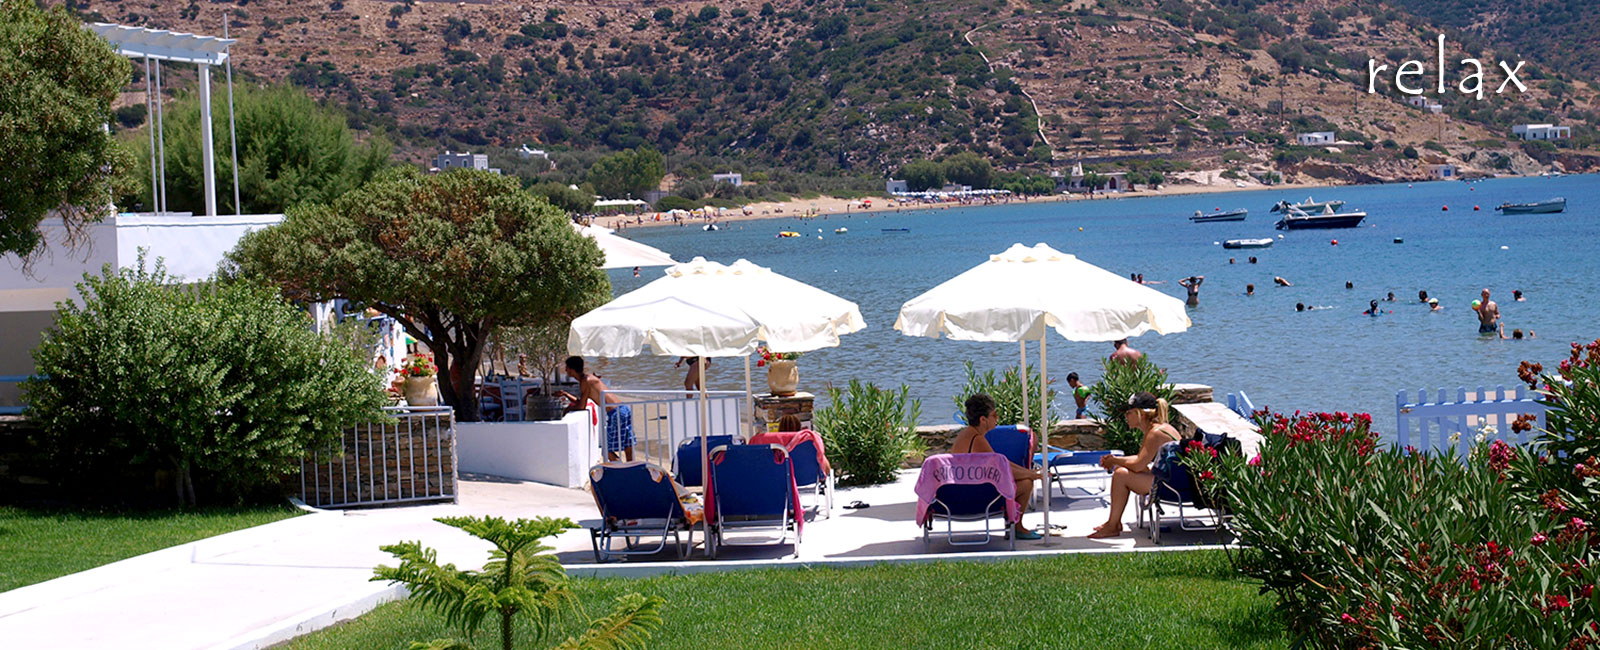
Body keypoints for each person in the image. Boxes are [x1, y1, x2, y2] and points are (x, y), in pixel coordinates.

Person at [1088, 392, 1182, 539]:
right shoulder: (1158, 428)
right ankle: (1113, 523)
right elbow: (1141, 460)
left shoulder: (1155, 433)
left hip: (1172, 487)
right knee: (1122, 470)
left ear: (1141, 414)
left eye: (1129, 413)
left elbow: (1138, 465)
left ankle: (1113, 526)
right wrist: (1116, 460)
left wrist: (1114, 461)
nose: (1126, 417)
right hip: (1176, 482)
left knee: (1121, 475)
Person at [950, 393, 1042, 540]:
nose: (997, 418)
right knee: (1026, 484)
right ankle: (1016, 527)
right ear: (983, 419)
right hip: (977, 499)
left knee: (1026, 478)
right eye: (994, 415)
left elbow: (1001, 463)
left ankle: (1015, 526)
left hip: (961, 493)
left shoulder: (965, 435)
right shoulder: (977, 440)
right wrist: (1031, 475)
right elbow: (1003, 469)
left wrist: (1029, 472)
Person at [559, 356, 633, 461]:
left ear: (572, 369)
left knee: (607, 451)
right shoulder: (588, 378)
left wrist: (567, 410)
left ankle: (623, 471)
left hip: (615, 413)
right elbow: (582, 401)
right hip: (623, 408)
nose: (565, 370)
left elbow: (581, 406)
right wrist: (566, 394)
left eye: (567, 368)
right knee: (627, 444)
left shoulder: (586, 381)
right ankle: (631, 469)